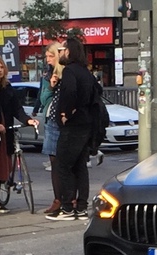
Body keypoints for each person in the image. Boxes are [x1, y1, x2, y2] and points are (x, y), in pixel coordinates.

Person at [46, 37, 94, 221]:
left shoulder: (70, 72)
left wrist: (66, 113)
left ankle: (67, 208)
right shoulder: (85, 72)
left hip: (73, 126)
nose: (60, 53)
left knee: (63, 165)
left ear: (69, 51)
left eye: (62, 50)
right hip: (85, 124)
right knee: (80, 166)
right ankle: (81, 207)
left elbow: (70, 92)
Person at [0, 57, 39, 214]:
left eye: (2, 67)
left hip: (6, 131)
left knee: (5, 165)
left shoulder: (8, 88)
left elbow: (18, 109)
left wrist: (29, 120)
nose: (0, 70)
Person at [38, 41, 64, 214]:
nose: (48, 59)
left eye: (51, 56)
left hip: (64, 121)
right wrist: (51, 86)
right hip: (51, 120)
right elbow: (43, 99)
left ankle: (70, 199)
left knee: (66, 163)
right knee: (54, 163)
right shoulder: (48, 75)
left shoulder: (67, 73)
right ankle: (58, 199)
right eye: (46, 56)